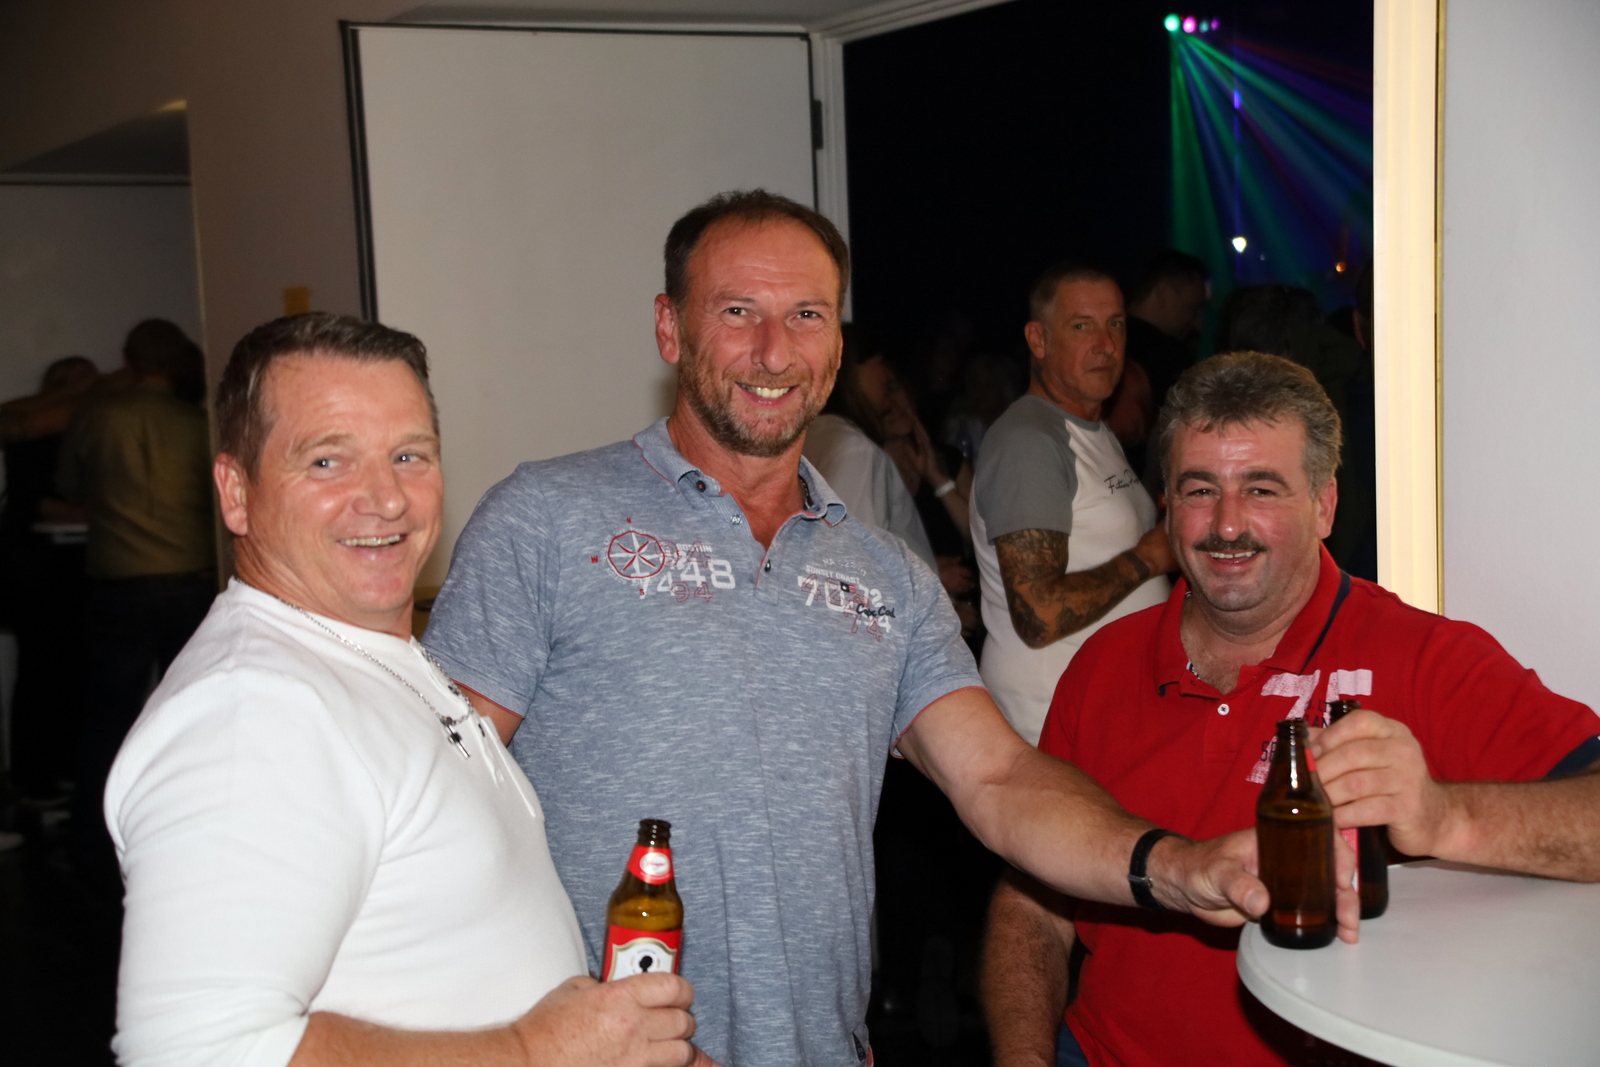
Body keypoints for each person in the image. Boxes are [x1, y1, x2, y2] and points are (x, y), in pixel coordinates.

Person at [423, 191, 1305, 1067]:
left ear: (837, 346)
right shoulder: (548, 520)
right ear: (670, 328)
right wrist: (538, 1031)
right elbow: (434, 801)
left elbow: (999, 777)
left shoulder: (886, 576)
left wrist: (1174, 865)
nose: (775, 351)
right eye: (738, 312)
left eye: (807, 315)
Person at [106, 313, 706, 1067]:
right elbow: (196, 1050)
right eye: (327, 461)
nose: (385, 498)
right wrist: (534, 1049)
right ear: (236, 491)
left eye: (408, 455)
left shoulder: (368, 657)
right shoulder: (251, 711)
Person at [981, 351, 1600, 1067]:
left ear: (1324, 506)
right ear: (1166, 506)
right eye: (1200, 489)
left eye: (1262, 489)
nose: (1227, 525)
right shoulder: (1103, 664)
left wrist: (1445, 814)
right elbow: (1032, 904)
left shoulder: (1424, 658)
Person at [968, 262, 1174, 745]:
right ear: (1038, 340)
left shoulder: (1088, 428)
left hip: (1096, 713)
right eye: (1082, 326)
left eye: (1115, 324)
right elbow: (1038, 613)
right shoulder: (1030, 442)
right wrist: (1151, 556)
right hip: (1051, 720)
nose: (1106, 344)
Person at [57, 320, 217, 879]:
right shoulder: (199, 425)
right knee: (190, 720)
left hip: (120, 586)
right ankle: (185, 838)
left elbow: (68, 485)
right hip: (192, 584)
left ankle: (90, 843)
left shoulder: (97, 416)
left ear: (129, 360)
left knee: (109, 717)